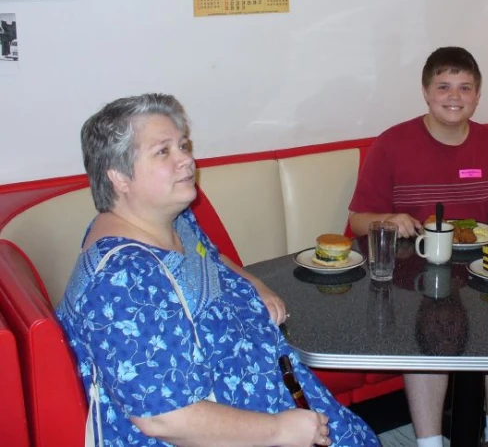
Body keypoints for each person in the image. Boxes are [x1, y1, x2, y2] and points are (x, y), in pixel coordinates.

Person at [56, 93, 379, 447]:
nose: (187, 160)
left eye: (183, 145)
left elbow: (208, 256)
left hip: (266, 390)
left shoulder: (171, 219)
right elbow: (164, 418)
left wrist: (254, 283)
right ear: (118, 177)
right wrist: (281, 431)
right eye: (164, 152)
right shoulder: (124, 279)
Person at [348, 46, 488, 447]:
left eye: (465, 87)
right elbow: (358, 221)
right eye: (444, 86)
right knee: (428, 331)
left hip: (476, 275)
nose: (454, 96)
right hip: (407, 275)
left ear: (478, 95)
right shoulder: (392, 142)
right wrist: (389, 219)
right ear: (425, 91)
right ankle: (430, 442)